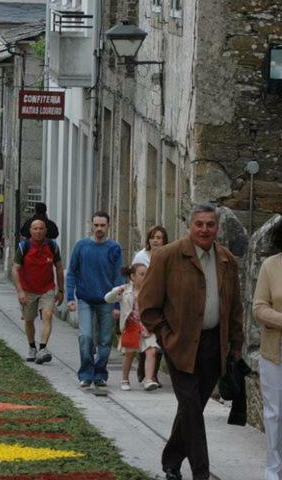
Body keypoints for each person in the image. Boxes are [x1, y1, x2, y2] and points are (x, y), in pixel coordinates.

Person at [140, 203, 244, 480]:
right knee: (190, 406)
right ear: (189, 226)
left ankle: (171, 461)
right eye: (199, 224)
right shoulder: (167, 256)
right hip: (180, 345)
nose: (204, 230)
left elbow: (235, 307)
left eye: (210, 224)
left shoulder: (226, 260)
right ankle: (202, 472)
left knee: (192, 407)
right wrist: (165, 335)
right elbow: (148, 306)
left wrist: (236, 344)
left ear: (217, 227)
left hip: (214, 344)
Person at [66, 211, 123, 388]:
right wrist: (70, 297)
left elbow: (118, 277)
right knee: (86, 337)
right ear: (91, 225)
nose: (99, 228)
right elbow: (72, 272)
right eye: (96, 225)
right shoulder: (81, 246)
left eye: (102, 225)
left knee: (105, 339)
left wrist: (117, 304)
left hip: (107, 300)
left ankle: (100, 373)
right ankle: (86, 373)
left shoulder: (114, 247)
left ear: (108, 226)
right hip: (85, 299)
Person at [12, 218, 65, 364]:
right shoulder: (24, 247)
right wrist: (20, 291)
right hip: (28, 289)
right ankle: (32, 347)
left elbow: (59, 268)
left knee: (47, 315)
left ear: (45, 231)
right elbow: (15, 269)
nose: (38, 231)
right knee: (29, 320)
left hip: (47, 288)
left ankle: (42, 348)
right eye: (35, 228)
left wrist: (61, 290)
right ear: (30, 231)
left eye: (41, 228)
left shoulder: (52, 246)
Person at [254, 218, 282, 480]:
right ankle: (274, 470)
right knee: (275, 413)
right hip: (276, 351)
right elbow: (259, 307)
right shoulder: (270, 265)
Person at [105, 263, 160, 391]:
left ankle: (148, 379)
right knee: (130, 355)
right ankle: (125, 378)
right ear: (133, 276)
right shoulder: (125, 290)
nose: (145, 277)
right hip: (131, 327)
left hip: (146, 327)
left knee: (151, 351)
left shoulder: (151, 290)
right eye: (142, 274)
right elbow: (108, 299)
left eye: (147, 274)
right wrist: (115, 291)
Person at [133, 225, 170, 386]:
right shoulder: (141, 256)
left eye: (159, 238)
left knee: (160, 338)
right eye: (153, 237)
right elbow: (133, 278)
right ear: (148, 239)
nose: (155, 240)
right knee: (147, 337)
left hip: (163, 301)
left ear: (164, 240)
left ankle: (153, 374)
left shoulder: (168, 255)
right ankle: (143, 367)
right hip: (146, 301)